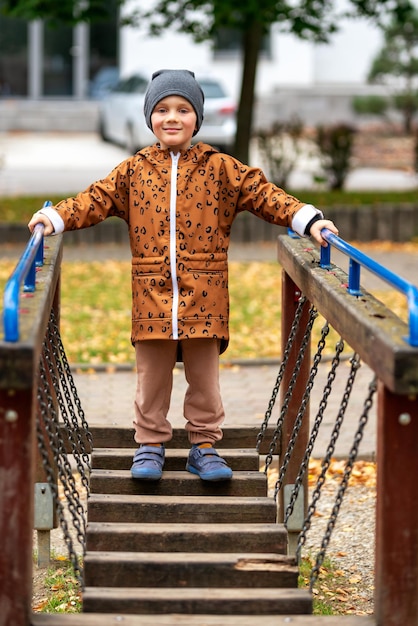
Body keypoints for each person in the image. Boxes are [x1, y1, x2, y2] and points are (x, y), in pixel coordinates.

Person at [28, 69, 339, 483]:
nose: (171, 117)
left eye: (182, 109)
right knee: (151, 376)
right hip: (152, 295)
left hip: (205, 294)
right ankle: (151, 443)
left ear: (197, 118)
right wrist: (53, 217)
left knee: (204, 378)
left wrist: (308, 220)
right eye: (161, 109)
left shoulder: (219, 168)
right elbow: (94, 199)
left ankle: (204, 445)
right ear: (149, 117)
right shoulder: (134, 170)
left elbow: (265, 194)